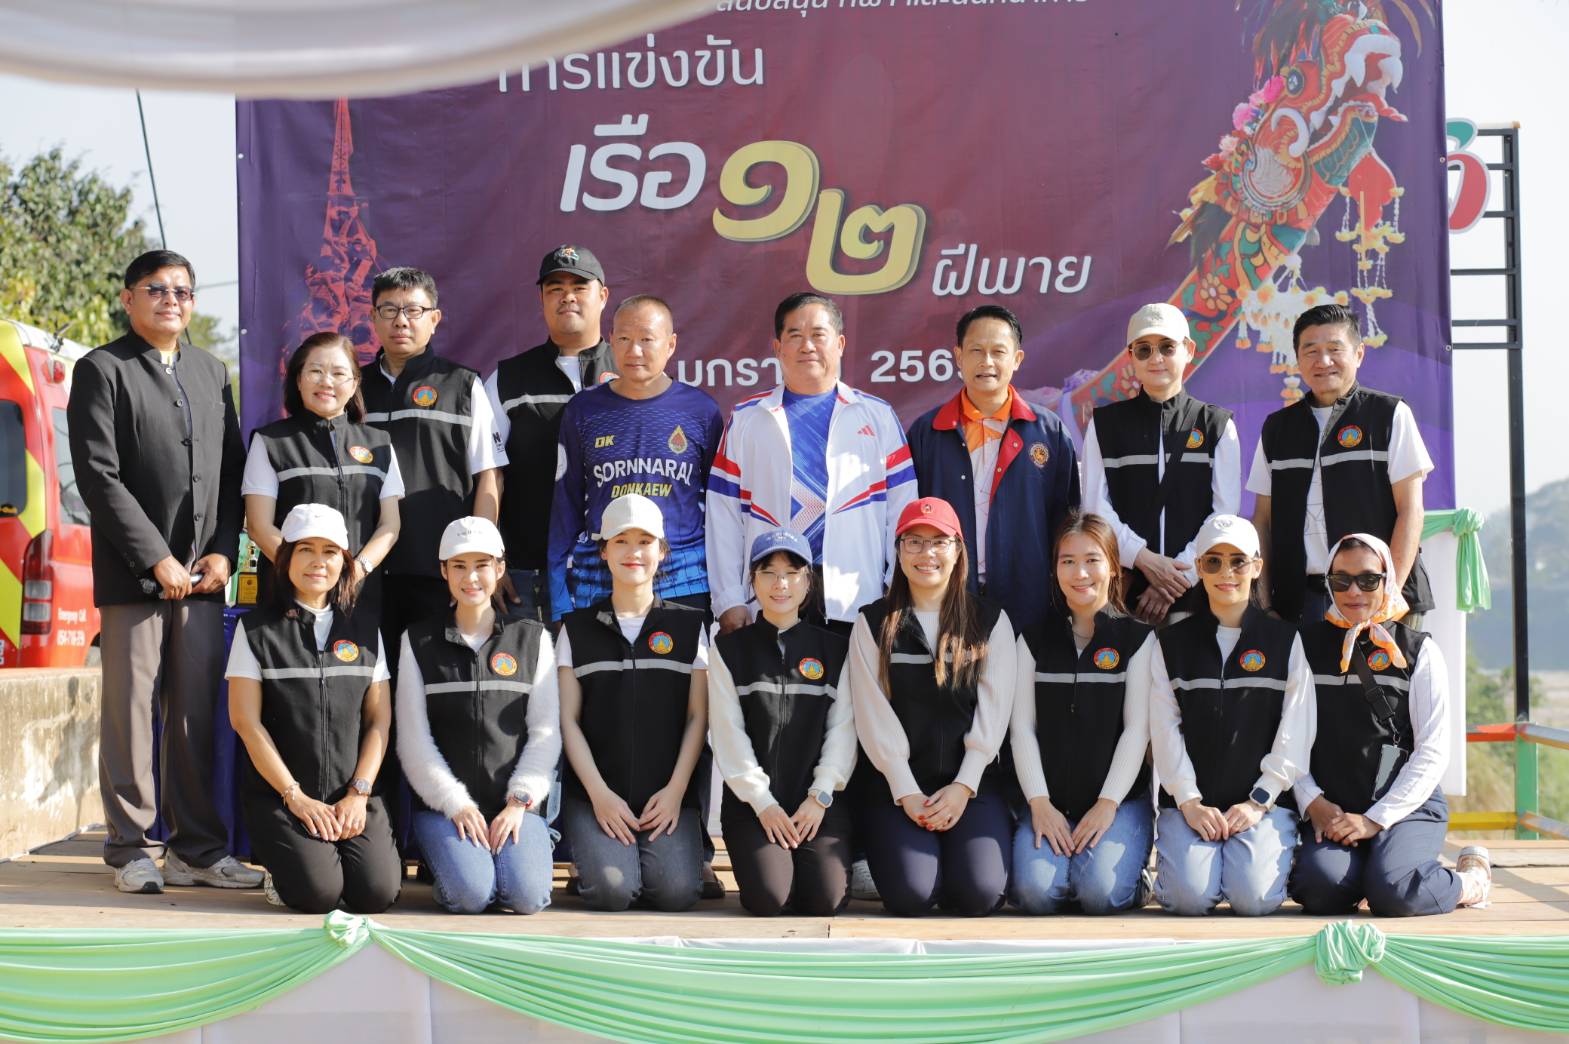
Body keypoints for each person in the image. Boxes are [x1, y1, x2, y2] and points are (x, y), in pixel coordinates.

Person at [67, 249, 262, 894]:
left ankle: (196, 851)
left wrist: (223, 551)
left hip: (203, 579)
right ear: (129, 298)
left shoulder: (211, 370)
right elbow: (99, 476)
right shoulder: (102, 369)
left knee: (195, 715)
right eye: (156, 289)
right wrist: (156, 557)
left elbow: (231, 471)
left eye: (182, 290)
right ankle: (129, 848)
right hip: (135, 577)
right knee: (130, 714)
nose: (170, 300)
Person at [1288, 533, 1493, 916]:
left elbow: (1433, 751)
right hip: (1334, 807)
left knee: (1397, 893)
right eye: (1341, 580)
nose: (1354, 591)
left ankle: (1470, 881)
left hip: (1405, 805)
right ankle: (1381, 871)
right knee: (1319, 890)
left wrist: (1374, 820)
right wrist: (1312, 800)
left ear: (1388, 580)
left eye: (1368, 579)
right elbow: (1288, 738)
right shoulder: (1304, 646)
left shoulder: (1418, 650)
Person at [708, 292, 917, 636]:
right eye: (795, 335)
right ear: (778, 348)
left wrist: (895, 592)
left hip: (856, 600)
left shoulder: (877, 416)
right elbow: (723, 513)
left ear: (840, 344)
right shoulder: (747, 418)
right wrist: (729, 598)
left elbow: (902, 510)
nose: (807, 346)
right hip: (771, 598)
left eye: (818, 334)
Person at [226, 504, 400, 913]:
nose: (318, 562)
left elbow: (379, 720)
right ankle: (280, 866)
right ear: (285, 557)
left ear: (344, 562)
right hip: (283, 795)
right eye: (306, 549)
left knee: (376, 893)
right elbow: (245, 722)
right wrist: (295, 796)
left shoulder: (365, 630)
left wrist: (358, 793)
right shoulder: (256, 630)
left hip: (352, 795)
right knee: (317, 894)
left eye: (330, 551)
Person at [848, 497, 1015, 916]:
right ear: (899, 551)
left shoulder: (990, 621)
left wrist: (964, 786)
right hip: (897, 789)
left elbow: (994, 714)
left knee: (979, 894)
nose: (927, 554)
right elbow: (872, 716)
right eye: (915, 542)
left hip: (972, 786)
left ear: (958, 550)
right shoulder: (873, 623)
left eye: (939, 542)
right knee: (912, 895)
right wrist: (905, 790)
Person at [1149, 514, 1313, 916]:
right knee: (1187, 898)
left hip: (1261, 804)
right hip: (1190, 805)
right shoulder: (1170, 643)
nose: (1227, 572)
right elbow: (1164, 730)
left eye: (1238, 561)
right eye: (1214, 561)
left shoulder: (1285, 640)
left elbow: (1296, 729)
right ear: (1198, 567)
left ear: (1257, 567)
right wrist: (1188, 801)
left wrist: (1259, 800)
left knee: (1253, 899)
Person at [397, 517, 559, 914]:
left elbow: (545, 732)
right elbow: (413, 740)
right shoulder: (417, 641)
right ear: (443, 571)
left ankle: (507, 855)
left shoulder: (533, 638)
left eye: (482, 565)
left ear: (500, 569)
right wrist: (456, 804)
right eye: (459, 566)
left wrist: (519, 801)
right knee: (470, 895)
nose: (471, 577)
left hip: (515, 807)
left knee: (527, 897)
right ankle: (455, 866)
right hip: (446, 810)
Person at [556, 494, 708, 911]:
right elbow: (568, 720)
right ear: (603, 551)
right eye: (621, 541)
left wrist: (676, 791)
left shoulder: (689, 626)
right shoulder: (576, 629)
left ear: (662, 551)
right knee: (613, 892)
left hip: (667, 796)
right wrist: (599, 794)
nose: (633, 552)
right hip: (596, 797)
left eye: (644, 541)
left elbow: (698, 717)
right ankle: (594, 861)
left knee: (676, 893)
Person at [1248, 303, 1433, 626]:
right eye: (1311, 351)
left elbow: (1411, 510)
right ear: (1297, 359)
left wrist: (1388, 597)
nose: (1323, 361)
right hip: (1300, 603)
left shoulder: (1389, 414)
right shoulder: (1277, 428)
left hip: (1377, 600)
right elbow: (1262, 520)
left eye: (1335, 349)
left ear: (1359, 354)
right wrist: (1264, 604)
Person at [1009, 512, 1154, 915]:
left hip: (1118, 803)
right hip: (1050, 802)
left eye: (1092, 560)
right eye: (1067, 561)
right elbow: (1021, 729)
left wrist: (1107, 803)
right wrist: (1039, 803)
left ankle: (1133, 880)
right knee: (1035, 895)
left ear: (1114, 567)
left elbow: (1137, 730)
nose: (1080, 573)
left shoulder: (1137, 639)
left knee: (1101, 894)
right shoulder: (1033, 640)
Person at [360, 266, 506, 665]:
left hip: (440, 571)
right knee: (376, 683)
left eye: (413, 310)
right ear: (373, 317)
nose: (401, 321)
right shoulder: (352, 387)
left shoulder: (462, 385)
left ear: (435, 318)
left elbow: (489, 476)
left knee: (438, 679)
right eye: (389, 310)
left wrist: (481, 556)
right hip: (365, 571)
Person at [709, 528, 856, 916]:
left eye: (792, 573)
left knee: (824, 900)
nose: (781, 584)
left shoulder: (835, 649)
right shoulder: (728, 650)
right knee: (770, 898)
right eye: (769, 573)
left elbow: (843, 730)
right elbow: (728, 734)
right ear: (753, 580)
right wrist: (763, 803)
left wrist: (820, 796)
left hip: (818, 802)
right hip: (753, 806)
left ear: (808, 581)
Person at [906, 304, 1079, 633]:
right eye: (976, 351)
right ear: (958, 357)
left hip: (1029, 603)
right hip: (947, 599)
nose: (987, 362)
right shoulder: (927, 432)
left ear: (1017, 359)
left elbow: (1067, 519)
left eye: (998, 351)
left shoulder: (1048, 432)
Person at [549, 295, 722, 619]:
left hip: (684, 581)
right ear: (611, 341)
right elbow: (565, 507)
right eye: (625, 339)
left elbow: (722, 510)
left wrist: (728, 594)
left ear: (671, 344)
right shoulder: (583, 410)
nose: (634, 351)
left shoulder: (701, 411)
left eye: (646, 340)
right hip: (598, 581)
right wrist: (559, 600)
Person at [1082, 303, 1240, 626]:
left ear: (1189, 350)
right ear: (1130, 356)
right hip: (1124, 597)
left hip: (1198, 598)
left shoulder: (1217, 425)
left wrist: (1177, 577)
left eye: (1167, 347)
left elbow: (1224, 515)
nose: (1155, 358)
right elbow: (1095, 508)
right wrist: (1143, 560)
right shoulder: (1105, 425)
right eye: (1144, 349)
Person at [485, 245, 617, 620]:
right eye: (555, 288)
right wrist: (490, 556)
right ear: (542, 300)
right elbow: (489, 475)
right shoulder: (508, 378)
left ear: (603, 296)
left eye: (579, 286)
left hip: (618, 574)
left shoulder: (633, 372)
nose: (567, 296)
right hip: (528, 576)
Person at [244, 332, 402, 609]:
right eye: (315, 371)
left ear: (354, 384)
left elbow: (390, 525)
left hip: (359, 599)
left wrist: (356, 572)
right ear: (299, 380)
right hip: (288, 599)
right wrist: (308, 577)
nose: (326, 382)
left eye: (339, 373)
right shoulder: (270, 441)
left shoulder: (380, 444)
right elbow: (259, 526)